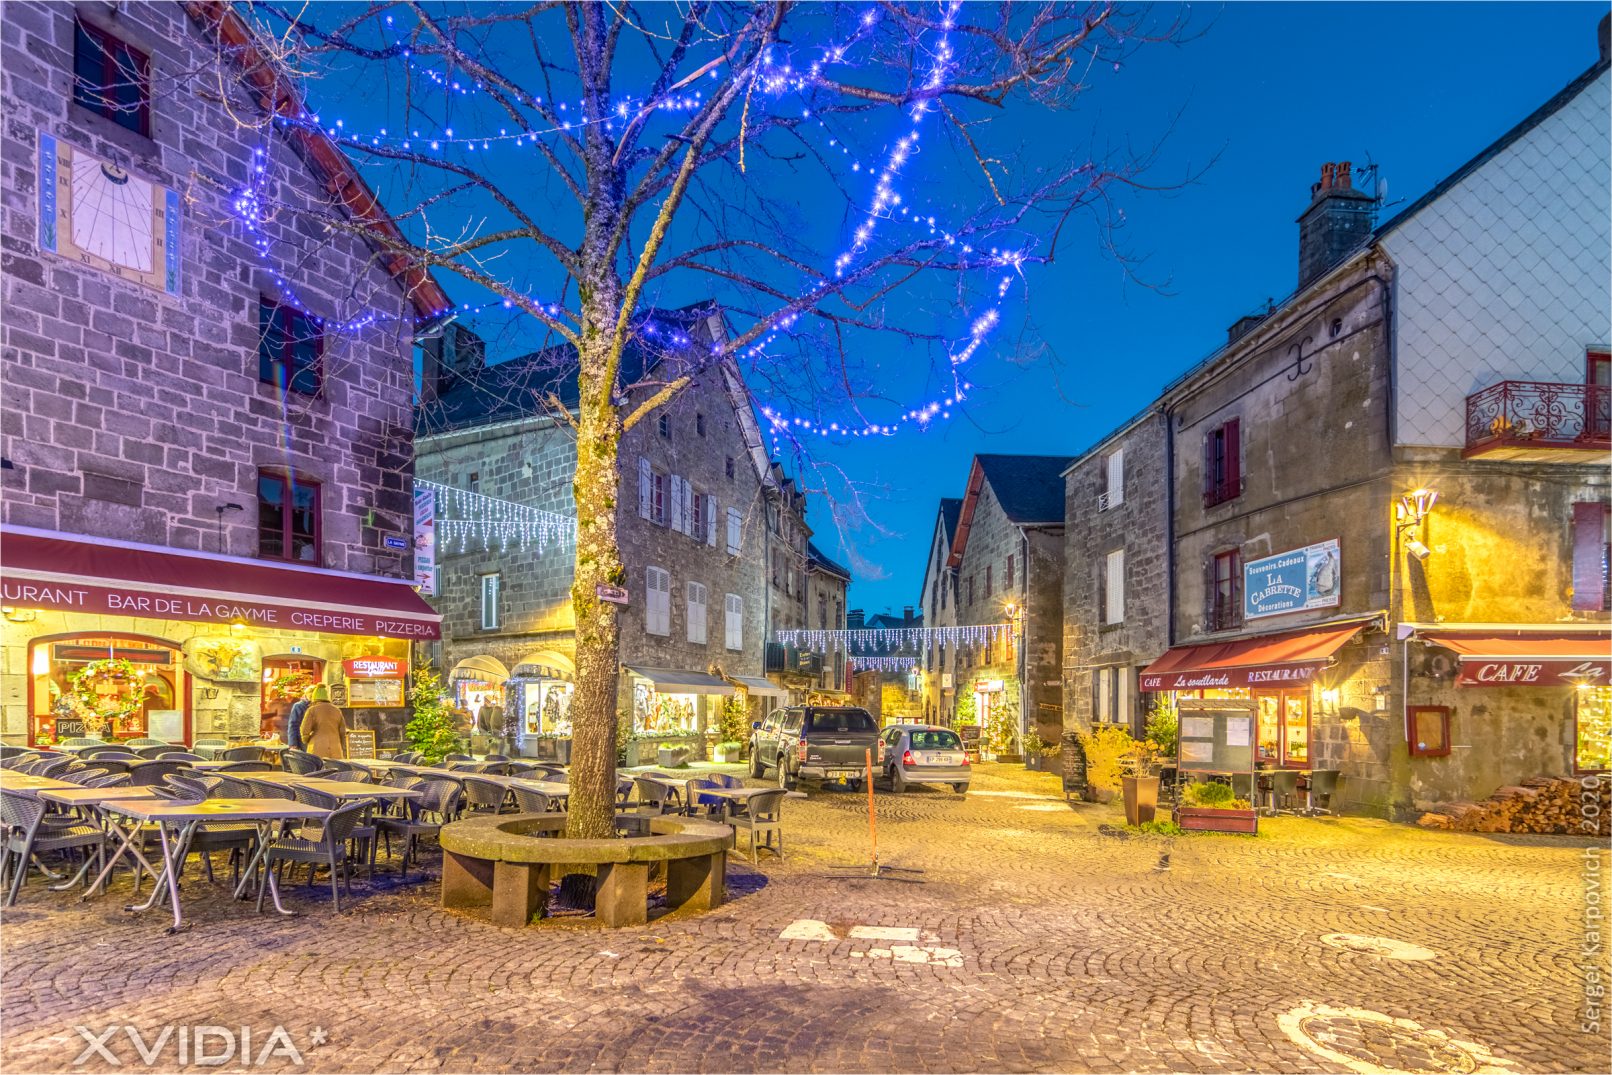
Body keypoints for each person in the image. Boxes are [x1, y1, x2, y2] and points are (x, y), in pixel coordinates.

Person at [300, 685, 349, 759]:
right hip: (335, 749)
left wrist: (306, 740)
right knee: (334, 769)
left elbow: (305, 730)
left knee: (319, 770)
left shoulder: (312, 710)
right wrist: (342, 748)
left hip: (316, 749)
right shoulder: (337, 710)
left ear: (314, 698)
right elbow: (342, 732)